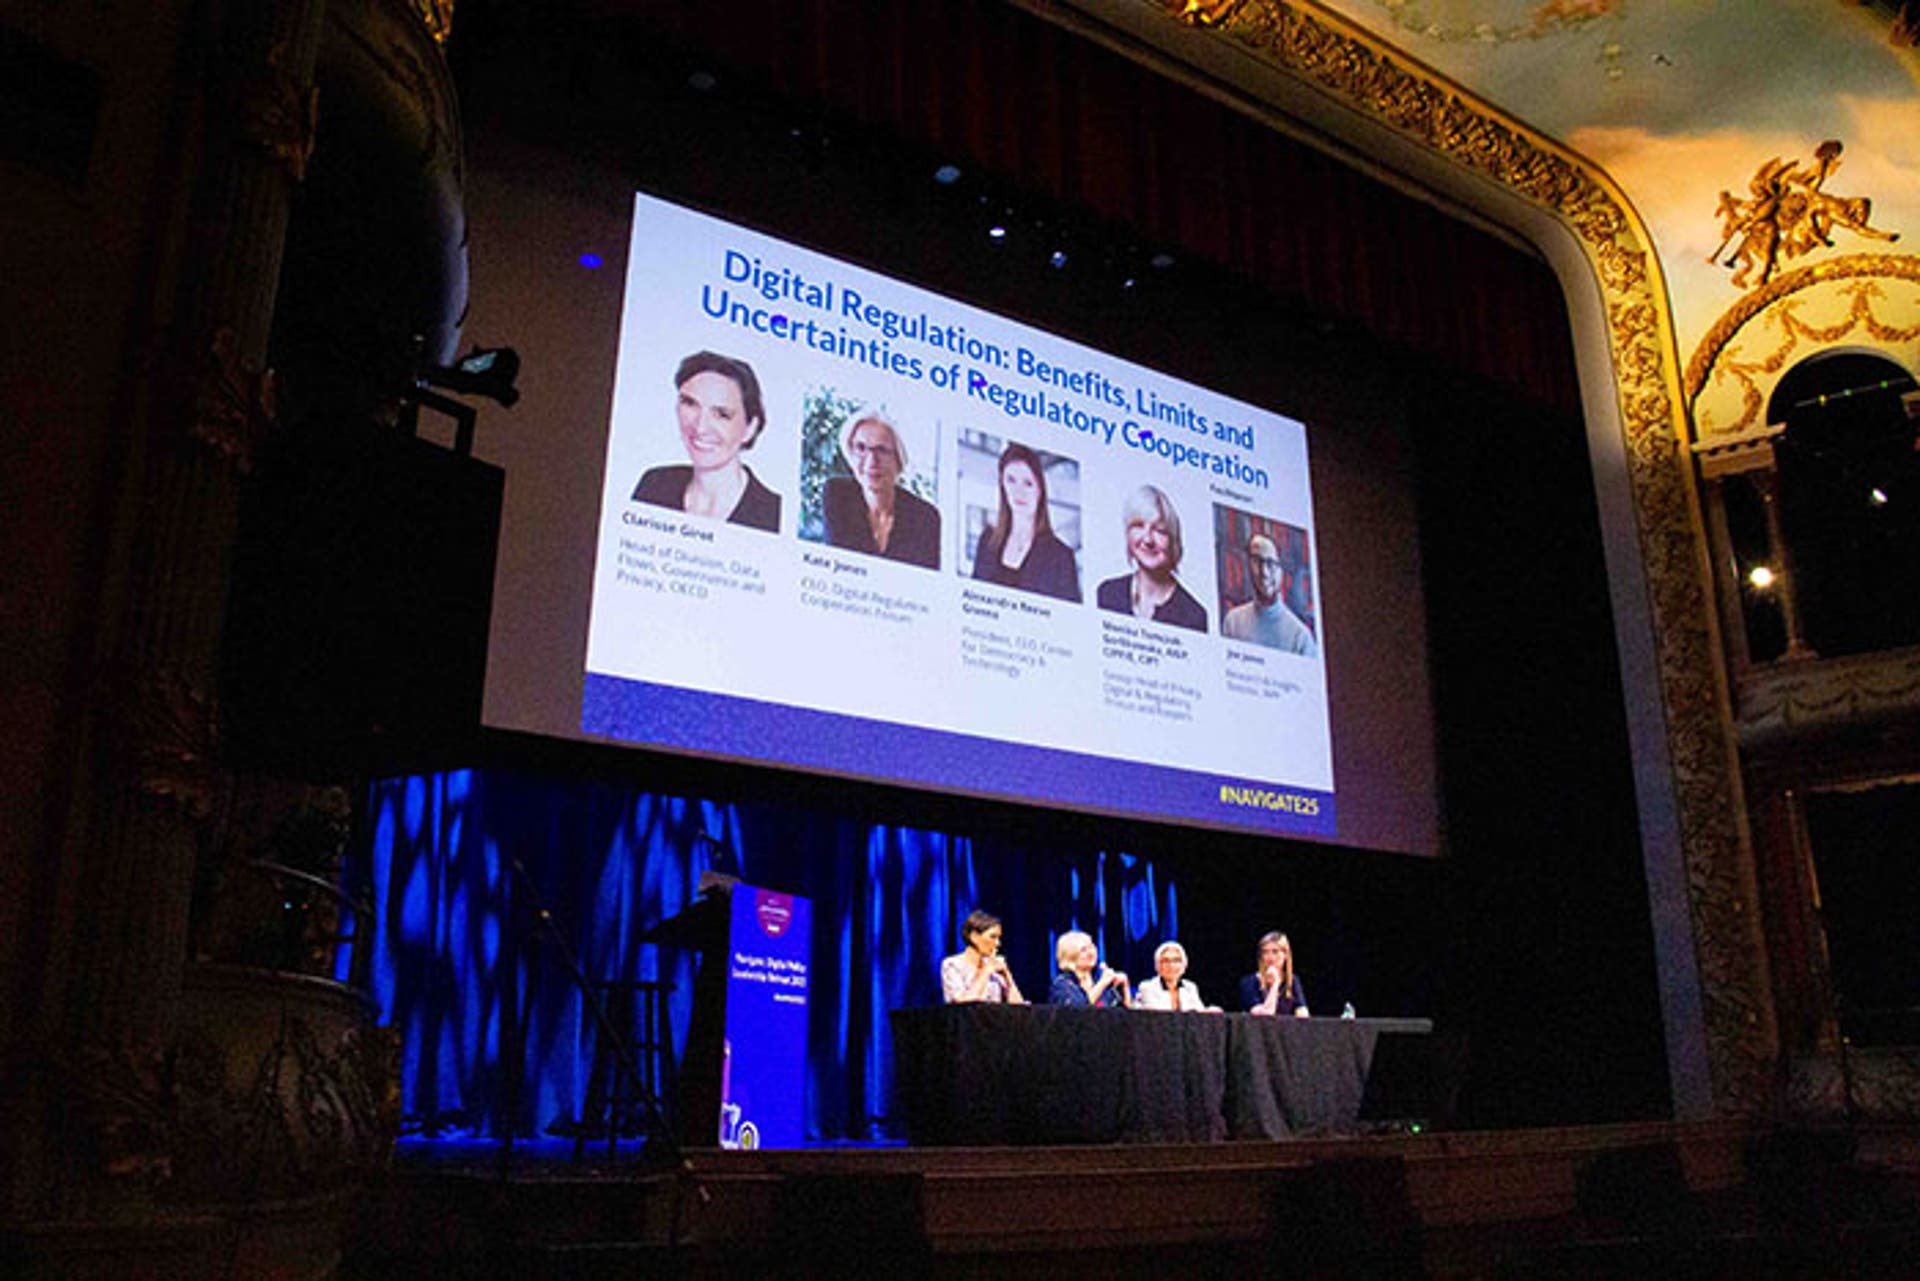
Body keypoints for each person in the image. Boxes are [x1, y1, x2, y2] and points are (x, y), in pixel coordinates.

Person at [632, 351, 781, 532]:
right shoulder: (654, 485)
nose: (700, 427)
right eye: (690, 404)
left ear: (750, 428)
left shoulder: (774, 513)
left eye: (721, 414)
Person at [822, 407, 940, 568]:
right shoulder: (837, 495)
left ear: (898, 460)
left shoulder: (926, 517)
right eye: (861, 448)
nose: (871, 462)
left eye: (882, 450)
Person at [970, 442, 1081, 602]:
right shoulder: (987, 541)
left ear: (1040, 490)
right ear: (1002, 485)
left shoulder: (1061, 556)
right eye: (1011, 480)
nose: (1019, 492)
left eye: (1028, 483)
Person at [1094, 485, 1207, 633]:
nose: (1148, 539)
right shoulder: (1107, 593)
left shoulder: (1194, 616)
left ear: (1173, 540)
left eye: (1159, 530)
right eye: (1138, 526)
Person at [1221, 533, 1317, 655]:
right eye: (1257, 561)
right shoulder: (1233, 622)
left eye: (1271, 563)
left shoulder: (1300, 637)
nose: (1264, 572)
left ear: (1282, 571)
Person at [941, 909, 1026, 1004]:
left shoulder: (994, 968)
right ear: (974, 937)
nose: (998, 943)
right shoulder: (953, 965)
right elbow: (964, 1004)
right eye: (992, 937)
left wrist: (1007, 975)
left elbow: (1019, 1008)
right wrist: (986, 970)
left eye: (999, 938)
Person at [1047, 930, 1129, 1007]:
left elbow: (1128, 1016)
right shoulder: (1062, 986)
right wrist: (1102, 983)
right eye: (1083, 950)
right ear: (1070, 956)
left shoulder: (1099, 982)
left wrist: (1125, 986)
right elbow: (1079, 1011)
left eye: (1091, 947)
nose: (1091, 953)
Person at [1238, 931, 1310, 1017]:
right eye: (1265, 952)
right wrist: (1275, 983)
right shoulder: (1250, 982)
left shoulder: (1292, 981)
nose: (1270, 957)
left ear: (1285, 955)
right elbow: (1266, 1014)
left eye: (1275, 952)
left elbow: (1303, 1014)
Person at [1132, 940, 1212, 1012]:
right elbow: (1157, 1016)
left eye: (1176, 960)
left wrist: (1209, 1012)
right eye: (1165, 961)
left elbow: (1199, 1014)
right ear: (1157, 966)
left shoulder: (1190, 987)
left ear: (1184, 966)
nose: (1171, 965)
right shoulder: (1147, 988)